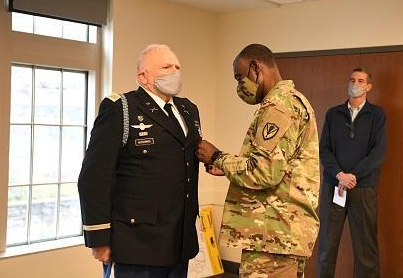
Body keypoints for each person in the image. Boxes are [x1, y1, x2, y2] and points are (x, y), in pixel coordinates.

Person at [78, 44, 202, 278]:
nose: (174, 72)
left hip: (179, 239)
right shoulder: (121, 109)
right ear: (143, 76)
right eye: (166, 67)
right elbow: (93, 177)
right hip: (138, 242)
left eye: (177, 66)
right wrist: (98, 238)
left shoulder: (188, 110)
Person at [196, 44, 320, 277]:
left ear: (255, 67)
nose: (239, 86)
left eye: (239, 77)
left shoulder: (279, 106)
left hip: (273, 236)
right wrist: (227, 166)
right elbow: (277, 166)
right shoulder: (291, 101)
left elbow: (265, 172)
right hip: (281, 235)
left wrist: (217, 156)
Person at [317, 68, 387, 278]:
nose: (355, 83)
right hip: (334, 187)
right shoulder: (333, 114)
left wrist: (352, 177)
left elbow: (378, 152)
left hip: (363, 189)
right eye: (352, 79)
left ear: (368, 87)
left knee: (366, 251)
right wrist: (339, 175)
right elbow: (324, 149)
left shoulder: (377, 115)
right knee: (326, 249)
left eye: (361, 80)